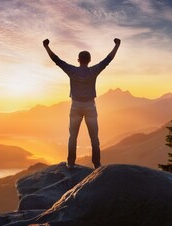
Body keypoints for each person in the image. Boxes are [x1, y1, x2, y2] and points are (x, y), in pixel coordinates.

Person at [43, 38, 121, 169]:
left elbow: (56, 60)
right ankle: (97, 164)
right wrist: (117, 45)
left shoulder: (72, 71)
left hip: (76, 106)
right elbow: (108, 59)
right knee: (94, 138)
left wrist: (46, 47)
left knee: (73, 137)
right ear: (89, 60)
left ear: (78, 60)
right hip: (90, 106)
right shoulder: (93, 71)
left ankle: (71, 163)